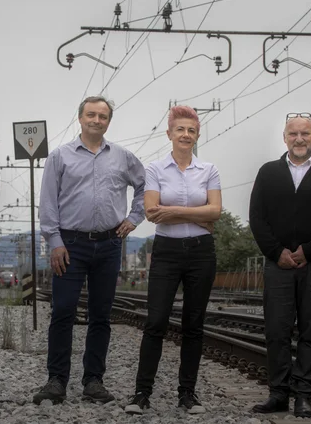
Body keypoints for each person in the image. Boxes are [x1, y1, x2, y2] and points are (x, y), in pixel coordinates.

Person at [35, 96, 146, 405]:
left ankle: (93, 381)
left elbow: (145, 187)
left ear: (108, 122)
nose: (97, 120)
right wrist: (54, 241)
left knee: (101, 315)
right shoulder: (60, 156)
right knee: (63, 311)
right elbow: (48, 202)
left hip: (110, 245)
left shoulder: (123, 157)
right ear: (80, 118)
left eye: (103, 116)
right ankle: (57, 380)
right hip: (70, 245)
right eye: (91, 115)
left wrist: (135, 217)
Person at [248, 112, 311, 418]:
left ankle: (303, 394)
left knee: (310, 330)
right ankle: (279, 393)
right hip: (278, 265)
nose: (299, 139)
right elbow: (257, 218)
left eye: (305, 133)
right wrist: (276, 251)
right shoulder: (268, 173)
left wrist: (309, 250)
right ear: (284, 138)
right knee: (277, 331)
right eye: (293, 134)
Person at [124, 106, 221, 416]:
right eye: (180, 129)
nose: (185, 135)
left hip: (201, 252)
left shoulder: (209, 170)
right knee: (156, 322)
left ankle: (187, 394)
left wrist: (174, 211)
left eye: (191, 130)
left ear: (197, 136)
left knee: (194, 324)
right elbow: (152, 211)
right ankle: (142, 393)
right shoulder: (155, 169)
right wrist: (198, 213)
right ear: (169, 134)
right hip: (166, 251)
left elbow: (216, 211)